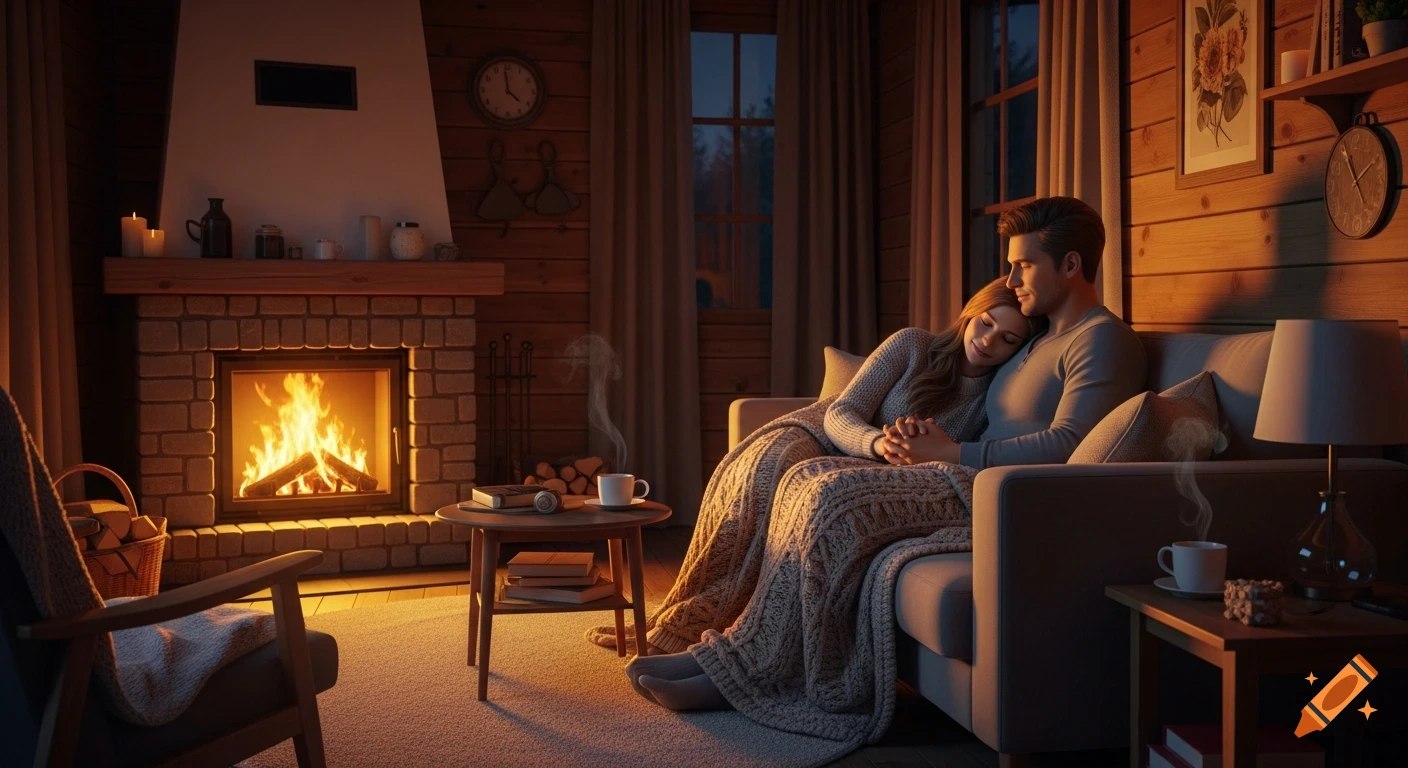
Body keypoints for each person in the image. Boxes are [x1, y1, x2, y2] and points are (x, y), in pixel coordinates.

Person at [623, 196, 1148, 723]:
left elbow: (1069, 445)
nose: (1011, 279)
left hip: (1001, 492)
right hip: (958, 472)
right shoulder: (1038, 336)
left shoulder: (1102, 340)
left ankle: (749, 672)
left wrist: (950, 450)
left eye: (1024, 265)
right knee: (804, 477)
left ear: (1071, 264)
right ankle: (730, 648)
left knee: (834, 497)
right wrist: (912, 440)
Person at [585, 276, 1037, 659]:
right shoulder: (912, 344)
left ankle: (714, 633)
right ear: (970, 312)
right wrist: (877, 442)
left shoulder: (994, 396)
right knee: (763, 470)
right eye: (986, 322)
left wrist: (923, 450)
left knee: (802, 499)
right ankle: (676, 624)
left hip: (869, 473)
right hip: (825, 433)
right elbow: (843, 411)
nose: (988, 341)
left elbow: (963, 457)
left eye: (1008, 339)